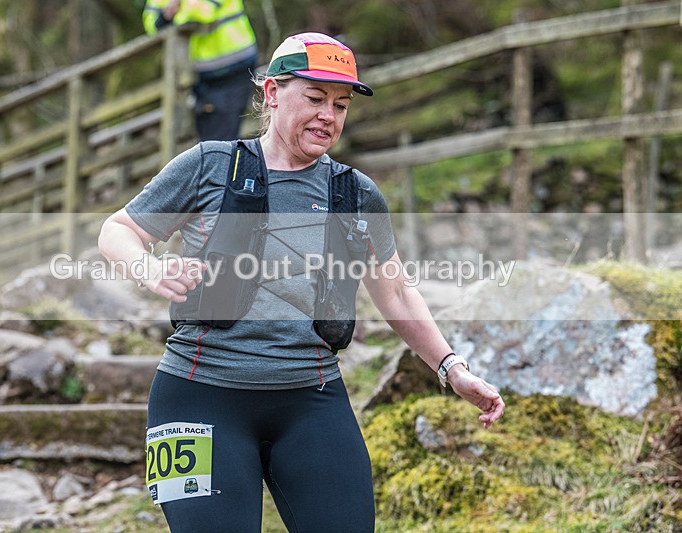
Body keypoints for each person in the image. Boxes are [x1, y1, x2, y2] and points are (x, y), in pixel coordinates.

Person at [98, 32, 505, 532]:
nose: (327, 116)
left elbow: (396, 291)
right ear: (271, 93)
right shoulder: (209, 166)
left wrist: (451, 367)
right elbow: (118, 230)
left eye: (340, 105)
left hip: (311, 400)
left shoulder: (355, 194)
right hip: (197, 397)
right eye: (314, 99)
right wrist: (151, 268)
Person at [143, 0, 258, 141]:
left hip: (233, 67)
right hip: (202, 75)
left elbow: (204, 11)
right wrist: (166, 16)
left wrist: (177, 11)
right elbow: (152, 23)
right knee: (207, 140)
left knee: (223, 140)